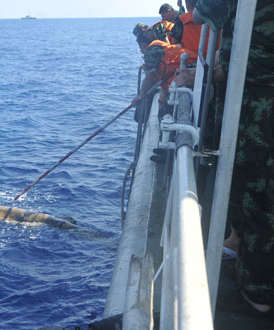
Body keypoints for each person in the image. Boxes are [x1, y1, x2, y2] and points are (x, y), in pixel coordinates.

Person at [193, 0, 274, 314]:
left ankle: (259, 294)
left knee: (256, 198)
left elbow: (202, 13)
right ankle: (238, 244)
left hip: (257, 105)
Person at [131, 26, 197, 119]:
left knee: (163, 116)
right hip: (191, 74)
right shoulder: (160, 45)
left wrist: (141, 95)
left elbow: (150, 77)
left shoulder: (151, 51)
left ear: (142, 44)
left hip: (191, 75)